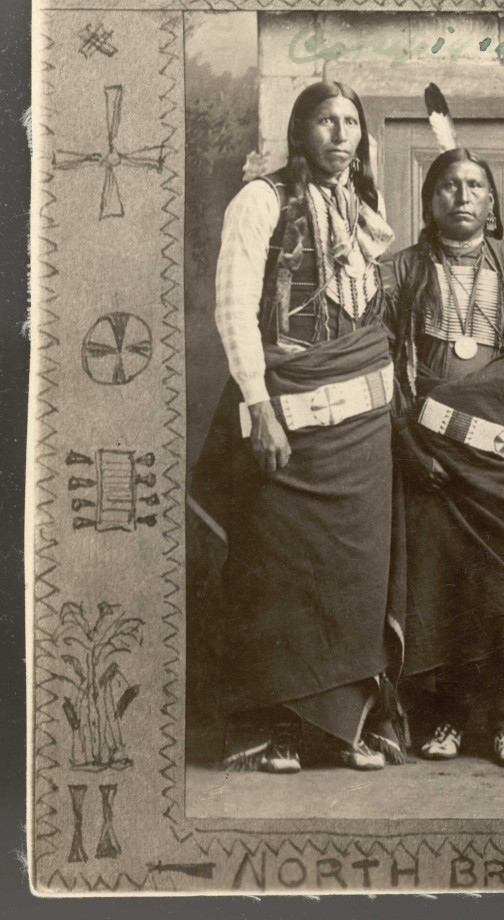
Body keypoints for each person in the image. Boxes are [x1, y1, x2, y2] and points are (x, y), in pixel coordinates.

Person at [191, 80, 404, 774]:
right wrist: (259, 408)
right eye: (326, 120)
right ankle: (273, 731)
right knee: (280, 575)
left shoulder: (364, 208)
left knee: (354, 576)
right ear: (299, 129)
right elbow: (234, 308)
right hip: (290, 412)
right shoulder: (263, 199)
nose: (341, 134)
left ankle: (341, 730)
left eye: (352, 121)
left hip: (361, 430)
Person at [386, 145, 504, 767]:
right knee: (439, 580)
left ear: (492, 202)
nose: (462, 195)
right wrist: (409, 437)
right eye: (449, 185)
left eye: (475, 186)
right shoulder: (399, 270)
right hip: (425, 458)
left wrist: (446, 406)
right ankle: (445, 718)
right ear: (430, 201)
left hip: (498, 454)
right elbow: (382, 364)